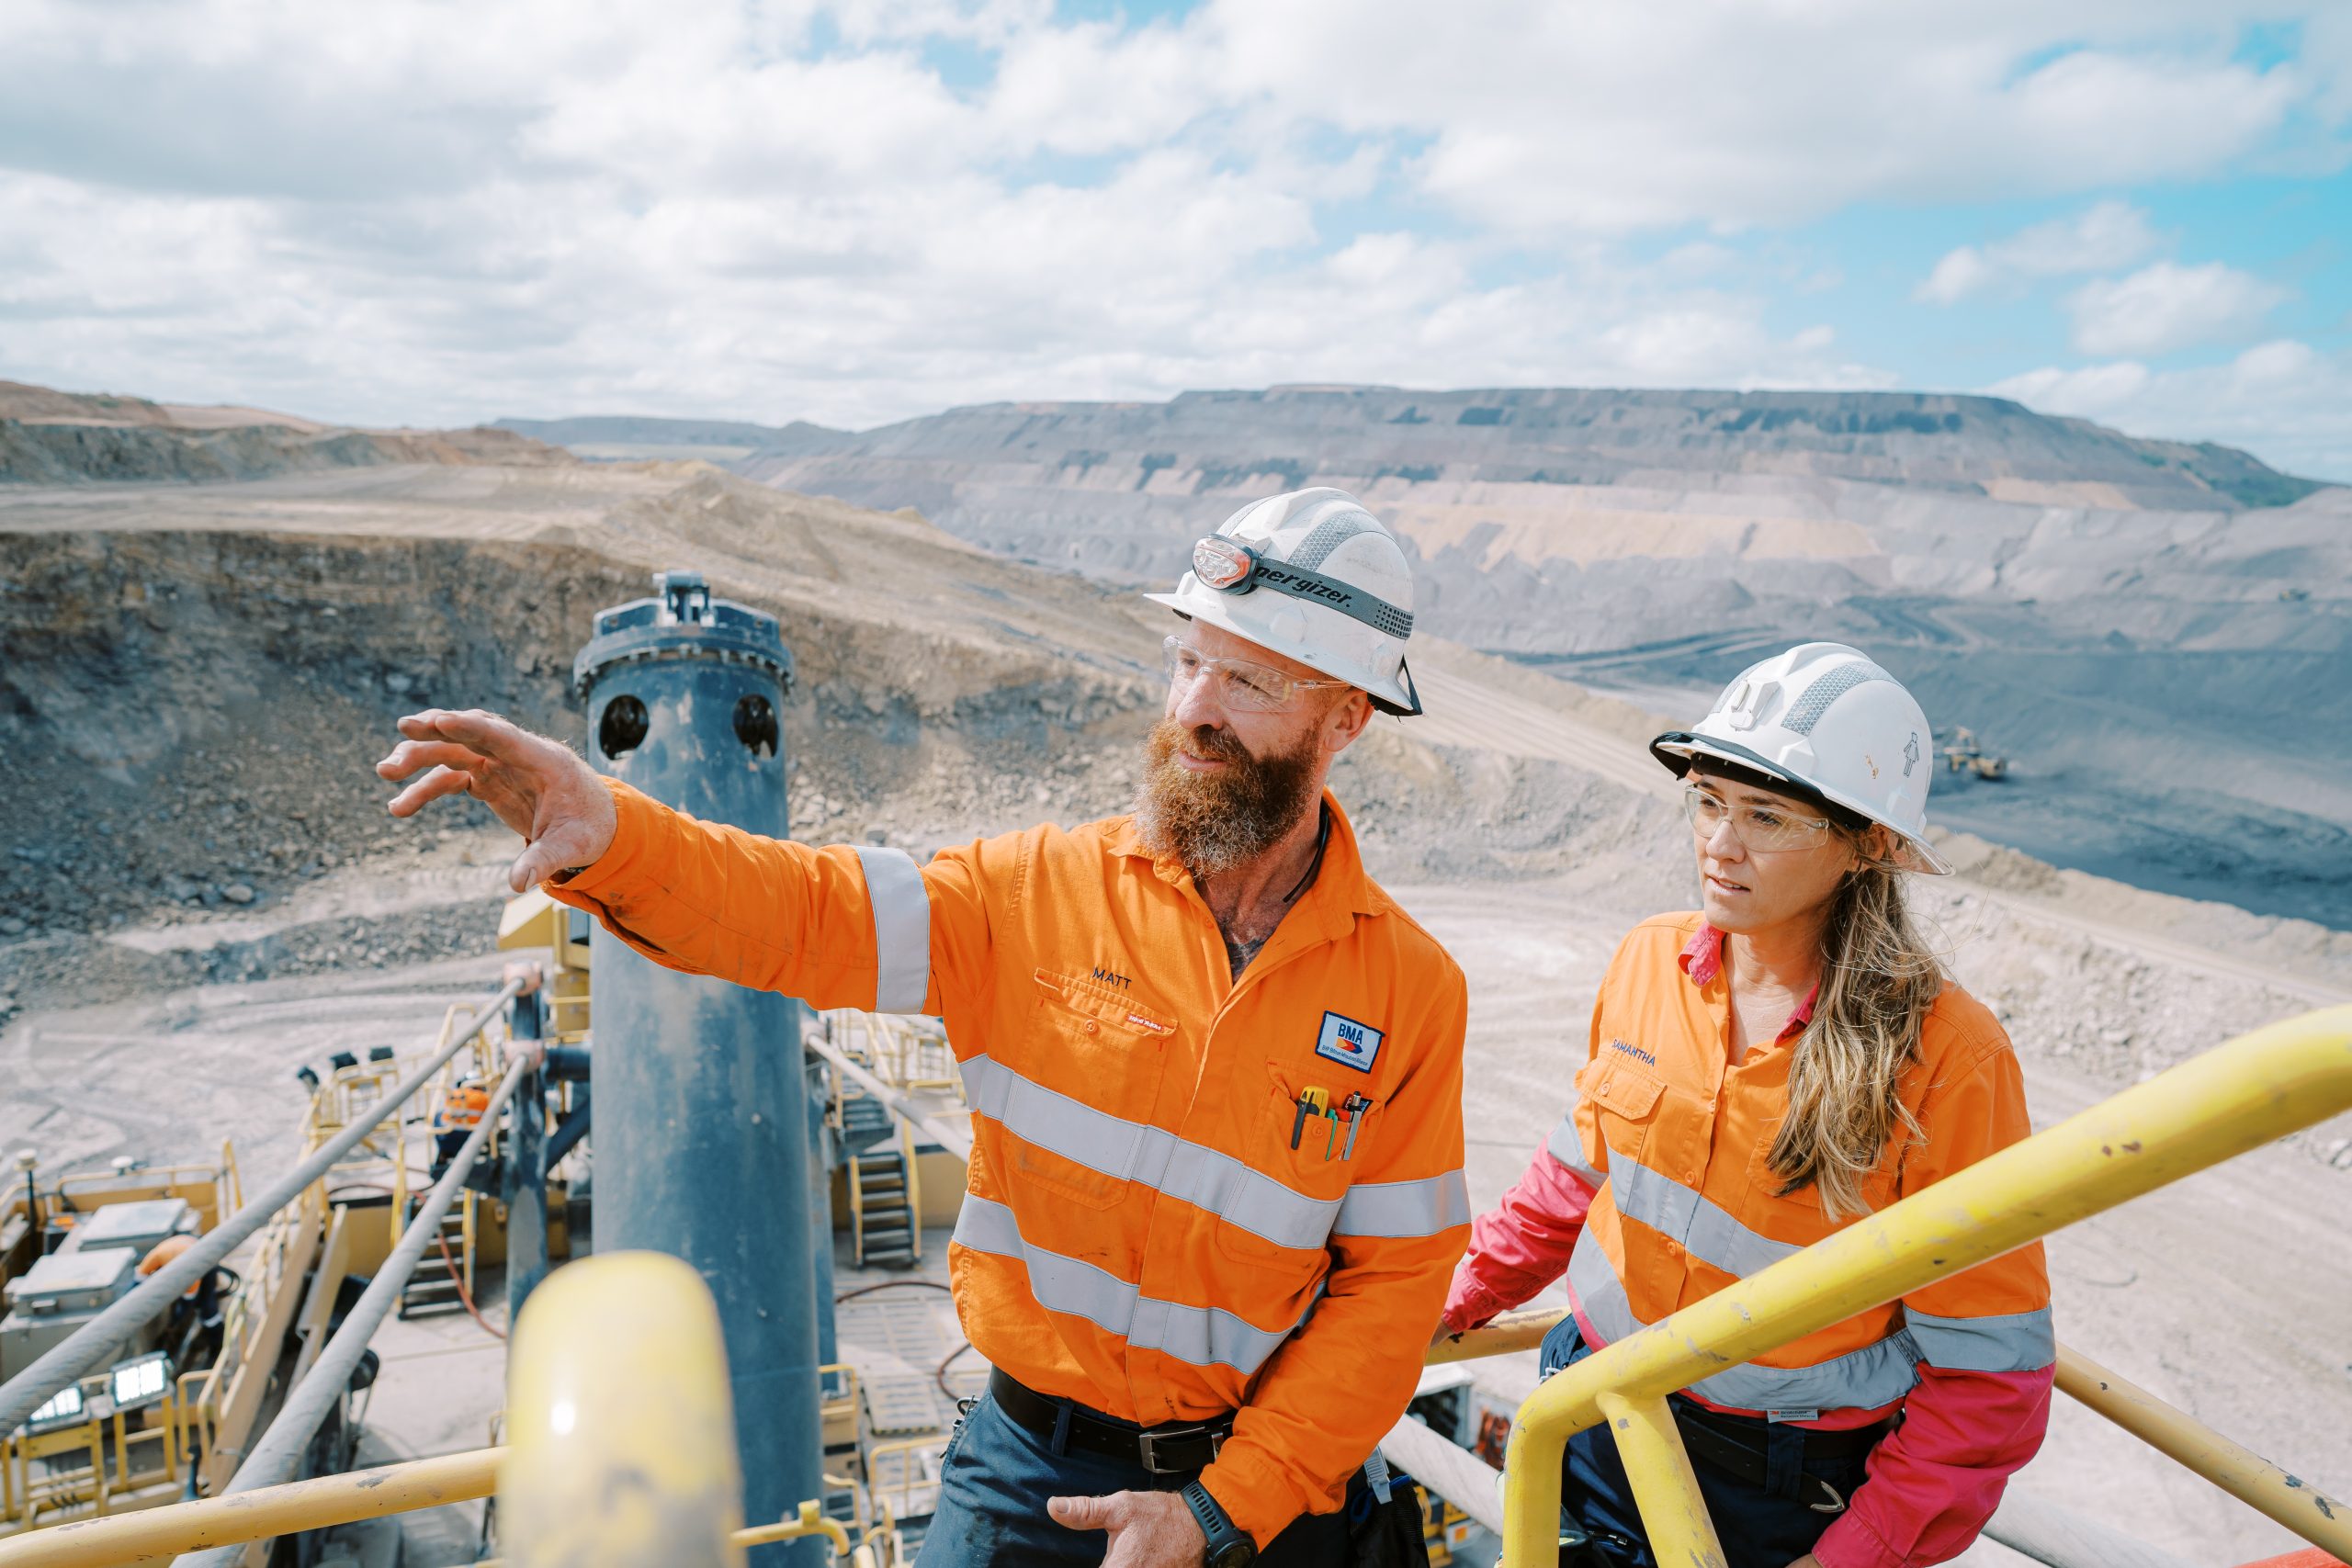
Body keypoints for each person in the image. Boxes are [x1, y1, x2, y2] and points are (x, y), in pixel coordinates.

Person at [376, 488, 1472, 1568]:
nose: (1194, 707)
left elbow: (1389, 1293)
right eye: (1188, 658)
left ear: (1345, 719)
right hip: (1029, 1477)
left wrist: (1219, 1511)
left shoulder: (1407, 993)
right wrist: (613, 836)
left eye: (1250, 680)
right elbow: (806, 912)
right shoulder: (1030, 893)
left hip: (1255, 1499)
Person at [1438, 644, 2052, 1568]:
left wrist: (1852, 1557)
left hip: (1772, 1495)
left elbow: (1988, 1372)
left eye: (1765, 815)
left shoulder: (1948, 1058)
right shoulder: (1648, 960)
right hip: (1588, 1416)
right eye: (1709, 802)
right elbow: (1572, 1178)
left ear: (1868, 844)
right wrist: (1446, 1304)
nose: (1719, 845)